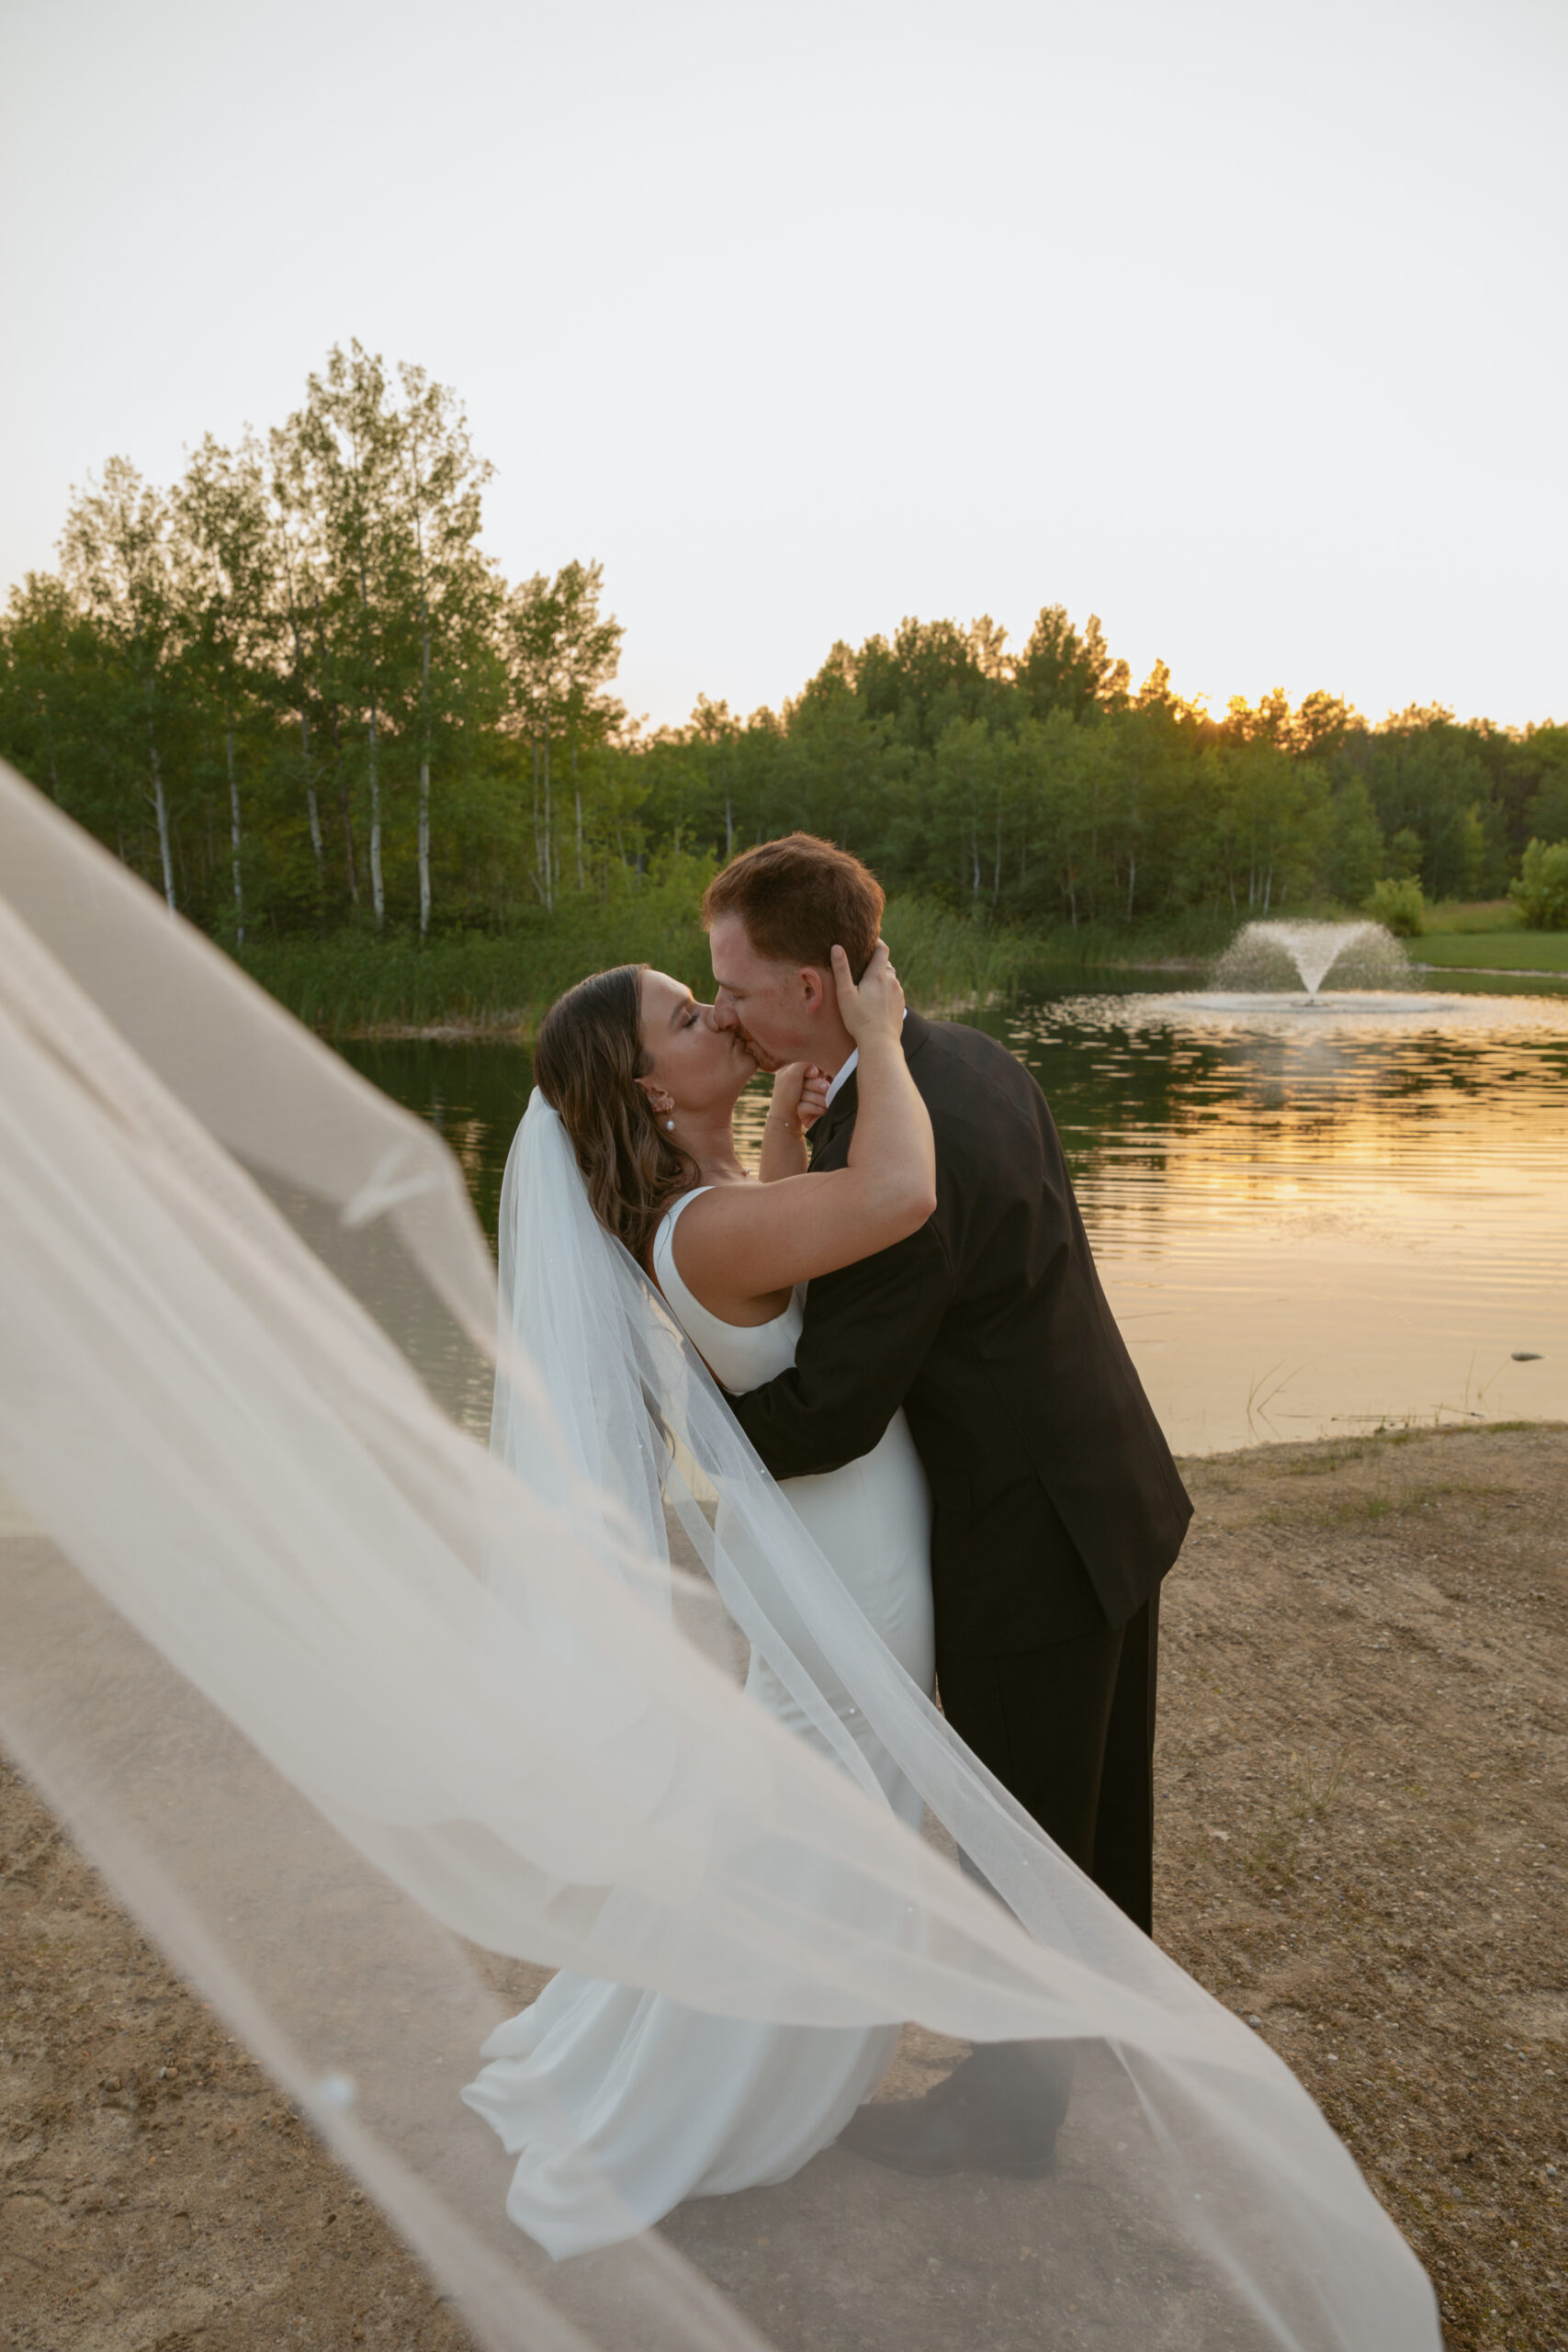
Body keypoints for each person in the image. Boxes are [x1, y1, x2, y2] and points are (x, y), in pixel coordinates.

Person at [703, 833, 1193, 2177]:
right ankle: (1099, 2032)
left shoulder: (890, 1153)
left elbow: (833, 1408)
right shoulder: (962, 1060)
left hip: (1031, 1531)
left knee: (1022, 1838)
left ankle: (1014, 2117)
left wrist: (679, 1430)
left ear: (813, 986)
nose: (726, 1010)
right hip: (1108, 1480)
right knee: (1094, 1812)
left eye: (736, 986)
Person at [462, 937, 944, 2256]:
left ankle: (695, 2061)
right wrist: (885, 1041)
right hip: (844, 1559)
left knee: (796, 1820)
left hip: (823, 1536)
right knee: (814, 1837)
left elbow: (777, 1289)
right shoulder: (705, 1222)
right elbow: (898, 1191)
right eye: (686, 1015)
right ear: (648, 1084)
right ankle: (699, 2104)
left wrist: (783, 1143)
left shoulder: (713, 1191)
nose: (715, 1013)